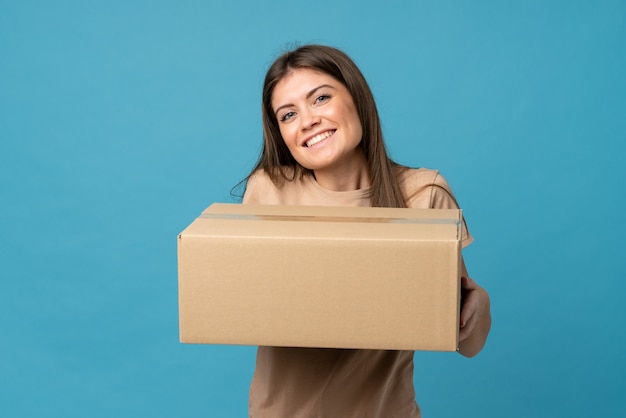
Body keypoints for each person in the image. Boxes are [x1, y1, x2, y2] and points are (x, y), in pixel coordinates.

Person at [240, 44, 491, 417]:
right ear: (280, 133)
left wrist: (477, 305)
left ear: (356, 98)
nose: (307, 120)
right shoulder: (269, 191)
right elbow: (245, 307)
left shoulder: (422, 195)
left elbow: (466, 343)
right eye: (288, 114)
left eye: (321, 98)